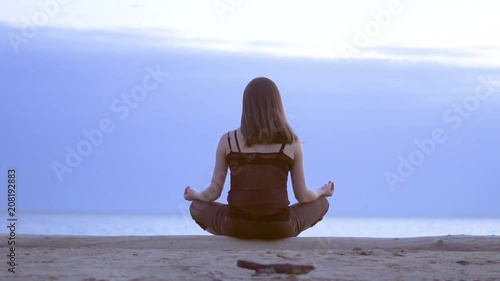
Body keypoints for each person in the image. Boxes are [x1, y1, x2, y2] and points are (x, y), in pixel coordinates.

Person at [183, 77, 334, 239]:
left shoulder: (228, 140)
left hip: (236, 226)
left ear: (246, 106)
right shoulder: (291, 142)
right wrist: (322, 191)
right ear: (277, 105)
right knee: (322, 203)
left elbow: (212, 193)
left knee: (196, 206)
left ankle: (234, 237)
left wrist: (195, 195)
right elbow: (303, 196)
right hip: (280, 228)